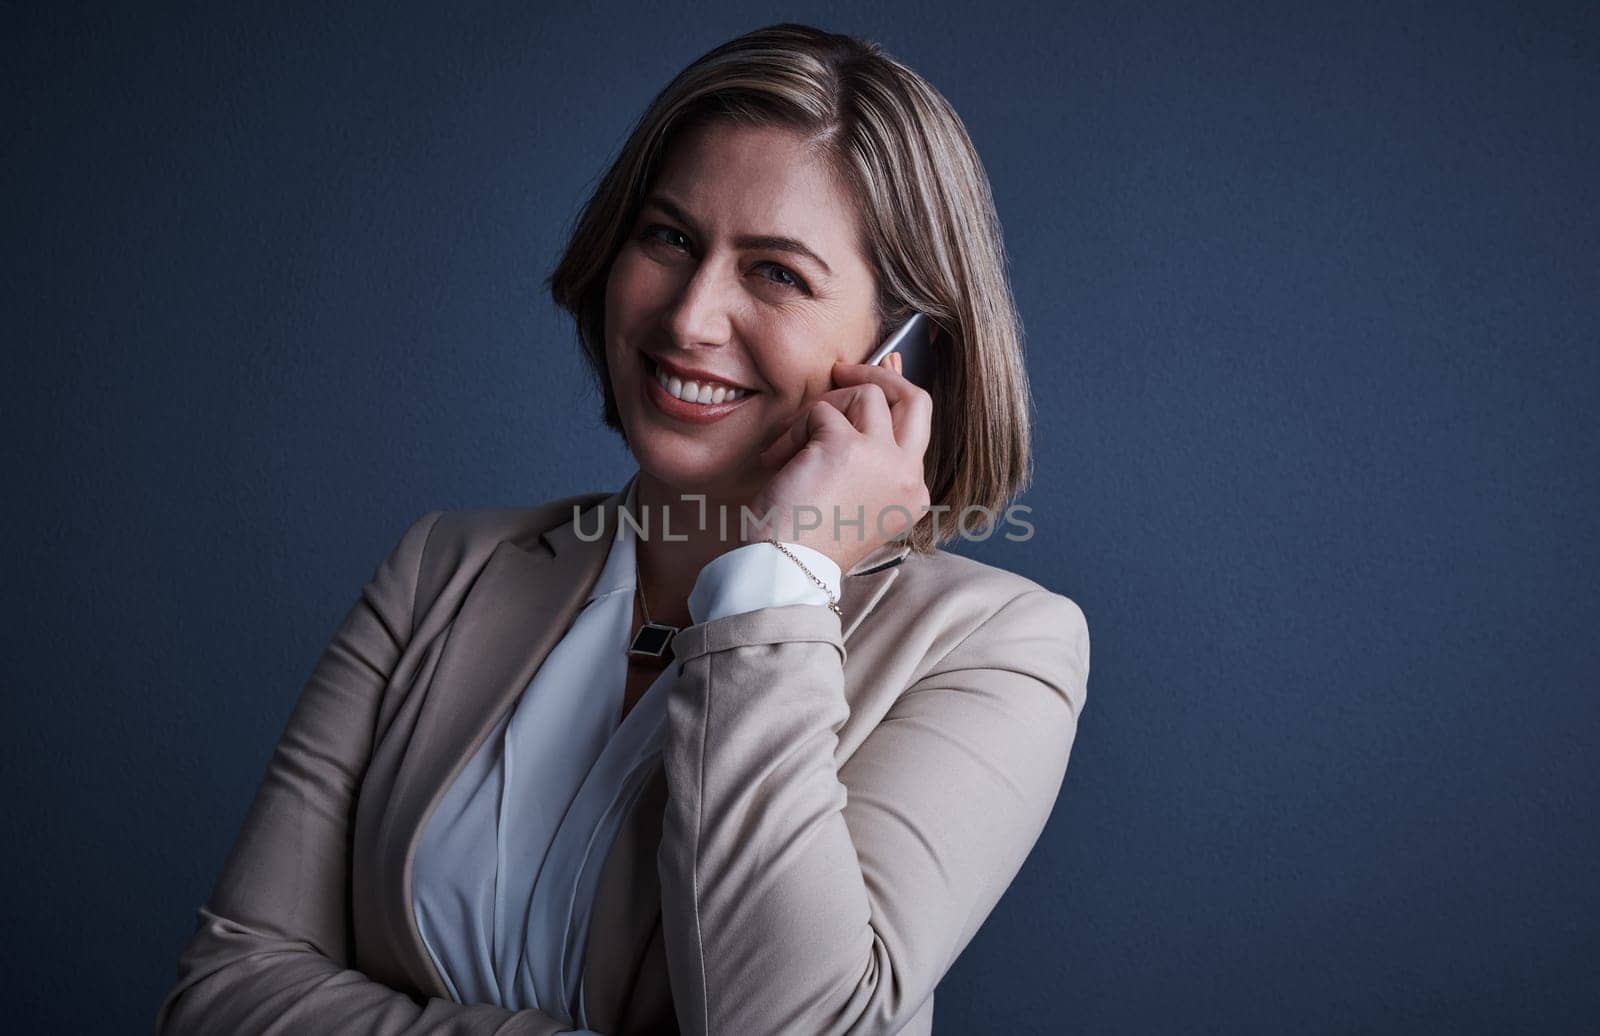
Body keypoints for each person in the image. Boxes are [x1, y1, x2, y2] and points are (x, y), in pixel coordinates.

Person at [155, 22, 1091, 1036]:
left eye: (775, 272)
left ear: (898, 353)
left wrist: (782, 578)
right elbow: (224, 992)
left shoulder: (995, 648)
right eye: (670, 239)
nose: (689, 318)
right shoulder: (445, 569)